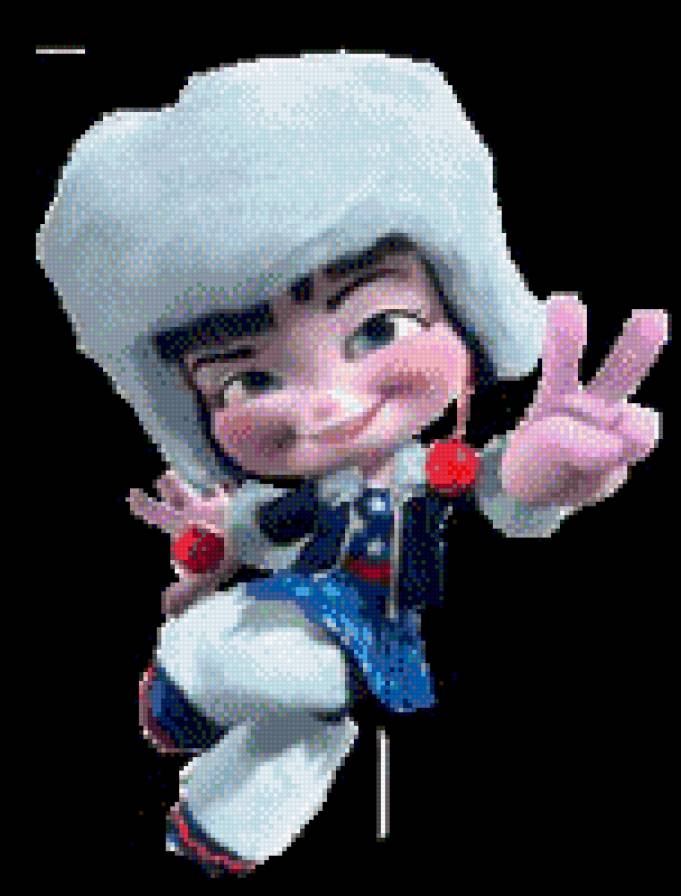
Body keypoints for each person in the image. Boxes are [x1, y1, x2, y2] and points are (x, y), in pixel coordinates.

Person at [37, 51, 667, 875]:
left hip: (369, 630)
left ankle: (212, 822)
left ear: (463, 309)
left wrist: (546, 475)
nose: (326, 407)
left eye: (376, 329)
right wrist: (209, 542)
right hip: (308, 612)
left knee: (307, 710)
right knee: (299, 694)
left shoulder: (429, 477)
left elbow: (500, 490)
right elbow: (249, 530)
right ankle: (188, 713)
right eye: (250, 381)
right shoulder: (304, 498)